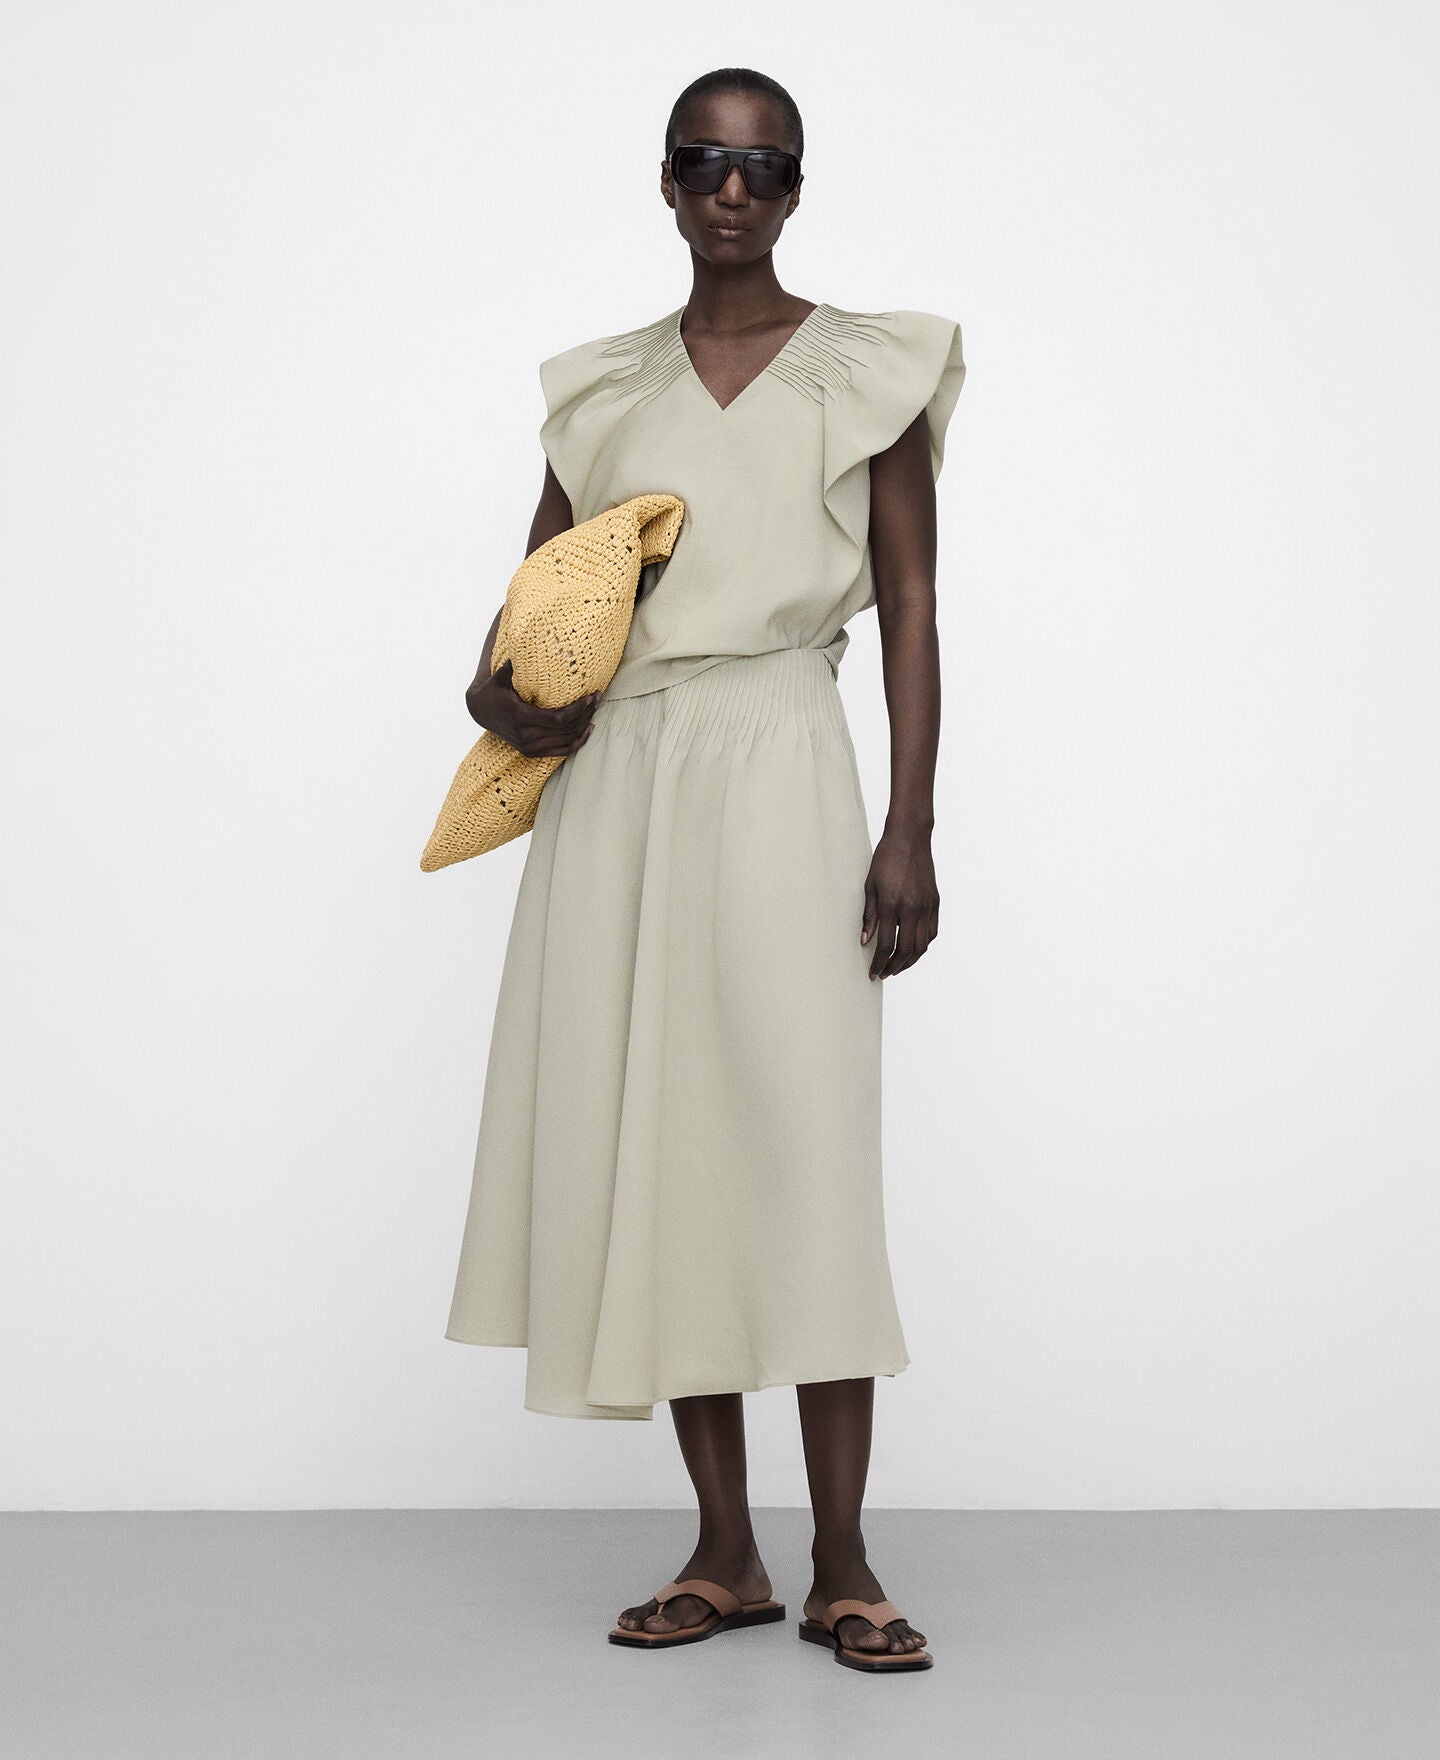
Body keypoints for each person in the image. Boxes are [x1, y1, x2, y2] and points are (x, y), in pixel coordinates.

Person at [445, 66, 965, 1671]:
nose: (733, 191)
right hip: (624, 783)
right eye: (704, 162)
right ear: (665, 184)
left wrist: (910, 823)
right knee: (667, 1148)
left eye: (763, 166)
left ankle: (846, 1560)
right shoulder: (606, 393)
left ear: (797, 187)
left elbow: (912, 606)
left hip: (783, 755)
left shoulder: (867, 373)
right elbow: (535, 609)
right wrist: (501, 699)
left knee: (805, 1149)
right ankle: (726, 1553)